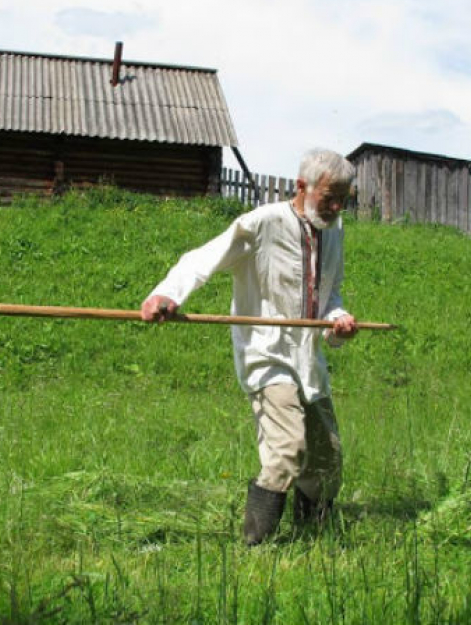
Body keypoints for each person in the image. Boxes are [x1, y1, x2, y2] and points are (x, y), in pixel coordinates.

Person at [140, 148, 359, 545]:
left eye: (343, 198)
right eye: (329, 197)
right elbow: (201, 259)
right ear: (301, 187)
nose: (336, 206)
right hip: (265, 353)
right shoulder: (263, 223)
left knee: (327, 460)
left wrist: (336, 325)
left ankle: (313, 541)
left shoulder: (334, 228)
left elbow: (329, 297)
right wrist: (166, 297)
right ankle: (256, 547)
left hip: (308, 358)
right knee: (287, 449)